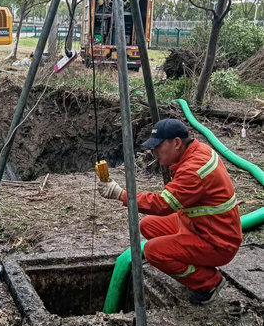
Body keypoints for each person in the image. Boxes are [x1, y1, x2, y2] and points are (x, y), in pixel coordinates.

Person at [98, 118, 242, 305]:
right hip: (201, 225)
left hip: (217, 240)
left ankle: (208, 282)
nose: (155, 151)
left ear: (176, 143)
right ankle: (195, 266)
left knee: (153, 251)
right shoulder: (197, 151)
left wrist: (121, 195)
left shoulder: (193, 170)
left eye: (159, 146)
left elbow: (164, 204)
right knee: (148, 225)